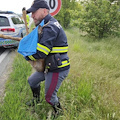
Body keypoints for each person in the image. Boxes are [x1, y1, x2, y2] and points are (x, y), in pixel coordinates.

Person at [25, 0, 70, 116]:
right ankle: (36, 100)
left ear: (45, 11)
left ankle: (59, 113)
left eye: (34, 12)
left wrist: (26, 54)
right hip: (49, 65)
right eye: (31, 13)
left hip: (57, 67)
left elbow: (41, 53)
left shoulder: (50, 27)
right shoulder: (45, 25)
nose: (32, 15)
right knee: (32, 81)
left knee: (50, 97)